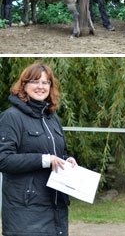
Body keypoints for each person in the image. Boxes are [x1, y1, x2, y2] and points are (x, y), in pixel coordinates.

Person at [0, 62, 77, 235]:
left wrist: (66, 161)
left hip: (55, 208)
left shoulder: (53, 119)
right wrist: (44, 160)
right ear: (24, 85)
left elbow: (57, 154)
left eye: (46, 82)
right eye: (35, 81)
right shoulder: (11, 117)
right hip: (25, 212)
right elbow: (3, 159)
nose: (41, 87)